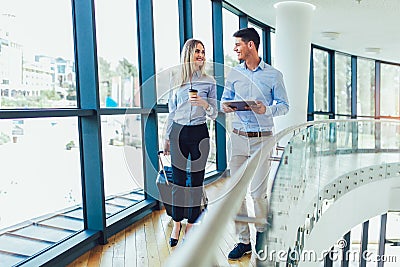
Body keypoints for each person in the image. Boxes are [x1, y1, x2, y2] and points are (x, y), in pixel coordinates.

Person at [221, 28, 289, 260]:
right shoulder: (234, 74)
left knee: (258, 194)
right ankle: (243, 241)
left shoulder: (273, 75)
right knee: (235, 193)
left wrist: (265, 109)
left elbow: (284, 106)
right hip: (238, 138)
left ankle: (261, 234)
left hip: (262, 139)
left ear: (251, 45)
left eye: (238, 44)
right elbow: (224, 101)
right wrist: (227, 106)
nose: (235, 49)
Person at [163, 39, 217, 247]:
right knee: (177, 183)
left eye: (203, 51)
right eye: (197, 52)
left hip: (199, 133)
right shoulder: (176, 80)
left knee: (196, 184)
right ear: (188, 54)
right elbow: (171, 111)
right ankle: (177, 223)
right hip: (178, 132)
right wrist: (167, 138)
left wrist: (203, 103)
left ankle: (191, 227)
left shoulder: (209, 81)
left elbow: (214, 113)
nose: (201, 55)